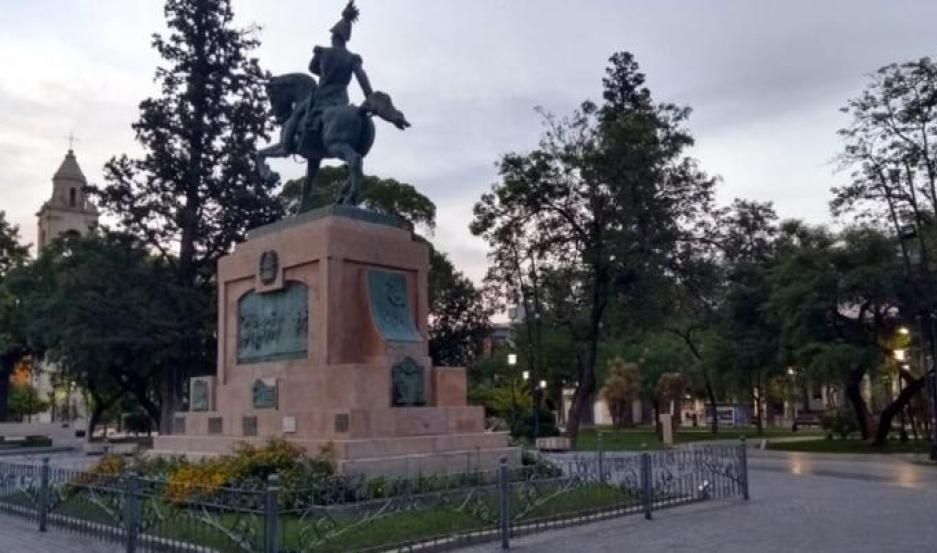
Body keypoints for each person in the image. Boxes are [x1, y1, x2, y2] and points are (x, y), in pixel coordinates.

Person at [303, 0, 373, 140]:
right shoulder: (353, 58)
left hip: (320, 97)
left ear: (335, 37)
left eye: (332, 35)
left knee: (296, 116)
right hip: (341, 100)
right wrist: (369, 96)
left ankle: (287, 144)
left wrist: (324, 72)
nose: (331, 37)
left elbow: (311, 68)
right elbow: (362, 77)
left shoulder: (323, 52)